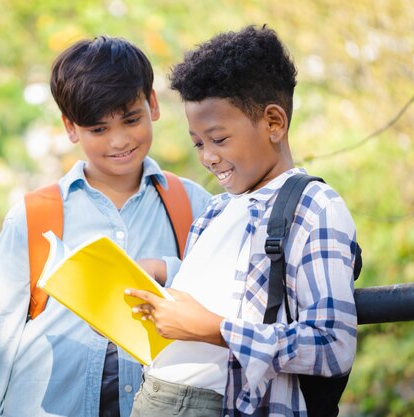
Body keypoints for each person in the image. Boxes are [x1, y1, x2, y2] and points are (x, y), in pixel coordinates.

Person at [0, 35, 211, 417]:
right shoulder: (35, 215)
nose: (119, 141)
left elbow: (221, 308)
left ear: (153, 104)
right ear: (70, 127)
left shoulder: (193, 206)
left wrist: (166, 269)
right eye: (98, 129)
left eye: (131, 119)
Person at [126, 25, 359, 417]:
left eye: (218, 139)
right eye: (198, 143)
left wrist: (213, 329)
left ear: (273, 123)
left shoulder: (314, 205)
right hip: (153, 395)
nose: (207, 157)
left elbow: (333, 345)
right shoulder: (215, 211)